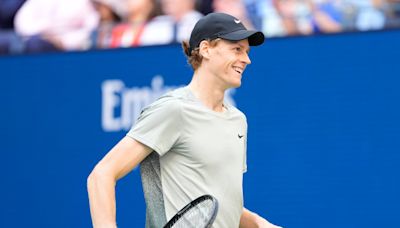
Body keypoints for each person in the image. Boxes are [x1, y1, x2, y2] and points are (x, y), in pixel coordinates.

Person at [87, 12, 282, 228]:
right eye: (237, 49)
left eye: (246, 51)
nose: (246, 59)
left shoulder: (238, 120)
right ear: (206, 49)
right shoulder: (173, 109)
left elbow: (222, 205)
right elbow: (101, 175)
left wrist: (261, 224)